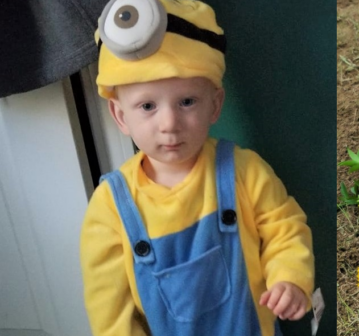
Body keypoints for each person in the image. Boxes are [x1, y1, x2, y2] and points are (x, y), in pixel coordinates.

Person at [79, 1, 314, 335]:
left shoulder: (245, 172)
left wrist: (290, 277)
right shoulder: (109, 208)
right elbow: (110, 310)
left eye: (187, 101)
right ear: (120, 116)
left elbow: (284, 229)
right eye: (147, 105)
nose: (169, 123)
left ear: (214, 105)